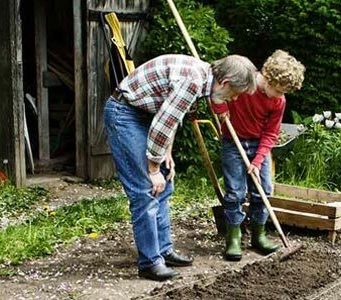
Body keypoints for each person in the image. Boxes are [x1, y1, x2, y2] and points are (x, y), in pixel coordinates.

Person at [104, 54, 257, 280]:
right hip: (125, 113)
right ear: (225, 83)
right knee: (145, 189)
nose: (233, 100)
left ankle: (163, 250)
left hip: (146, 115)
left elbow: (172, 119)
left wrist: (166, 153)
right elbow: (163, 123)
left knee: (165, 185)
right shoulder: (193, 81)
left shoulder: (204, 79)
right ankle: (149, 262)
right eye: (235, 94)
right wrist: (153, 170)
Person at [211, 50, 305, 261]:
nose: (281, 96)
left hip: (258, 144)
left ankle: (258, 235)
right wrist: (220, 108)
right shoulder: (243, 83)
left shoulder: (278, 102)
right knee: (235, 192)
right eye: (279, 90)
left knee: (263, 190)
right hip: (233, 143)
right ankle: (233, 238)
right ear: (268, 78)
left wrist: (258, 159)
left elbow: (271, 133)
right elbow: (216, 92)